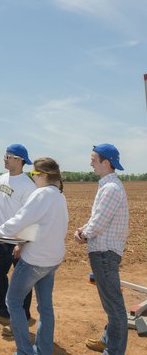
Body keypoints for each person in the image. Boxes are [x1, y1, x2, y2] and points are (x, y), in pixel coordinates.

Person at [0, 157, 68, 355]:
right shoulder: (59, 196)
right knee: (45, 307)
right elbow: (41, 225)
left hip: (35, 261)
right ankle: (44, 351)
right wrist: (21, 242)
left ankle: (25, 351)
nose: (33, 178)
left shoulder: (41, 194)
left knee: (13, 301)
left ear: (43, 175)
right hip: (53, 260)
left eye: (34, 174)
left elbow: (21, 219)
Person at [74, 144, 129, 355]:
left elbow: (99, 223)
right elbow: (97, 218)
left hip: (105, 254)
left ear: (106, 163)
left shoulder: (111, 188)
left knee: (115, 308)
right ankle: (107, 341)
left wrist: (84, 234)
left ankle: (113, 351)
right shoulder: (108, 186)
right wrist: (84, 228)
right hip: (104, 252)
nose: (90, 163)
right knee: (111, 305)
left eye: (93, 159)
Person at [0, 143, 35, 328]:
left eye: (8, 156)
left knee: (22, 281)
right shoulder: (2, 178)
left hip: (20, 240)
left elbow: (31, 216)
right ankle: (3, 312)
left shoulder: (28, 185)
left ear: (19, 160)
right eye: (5, 155)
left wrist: (22, 244)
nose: (4, 158)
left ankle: (24, 317)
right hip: (3, 237)